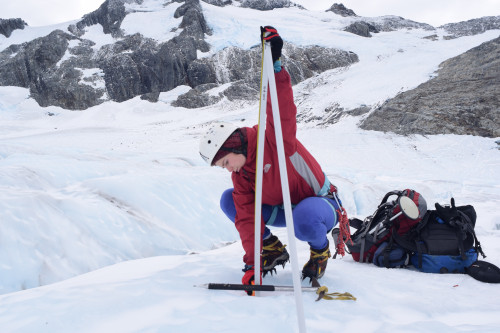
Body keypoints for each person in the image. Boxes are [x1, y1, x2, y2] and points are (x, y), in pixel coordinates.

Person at [199, 26, 350, 290]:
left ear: (233, 148)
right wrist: (251, 263)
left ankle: (320, 252)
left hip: (318, 205)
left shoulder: (275, 139)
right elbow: (246, 218)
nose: (227, 170)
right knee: (230, 200)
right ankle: (270, 249)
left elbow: (281, 108)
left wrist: (276, 67)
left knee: (304, 217)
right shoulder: (242, 173)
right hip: (282, 208)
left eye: (224, 163)